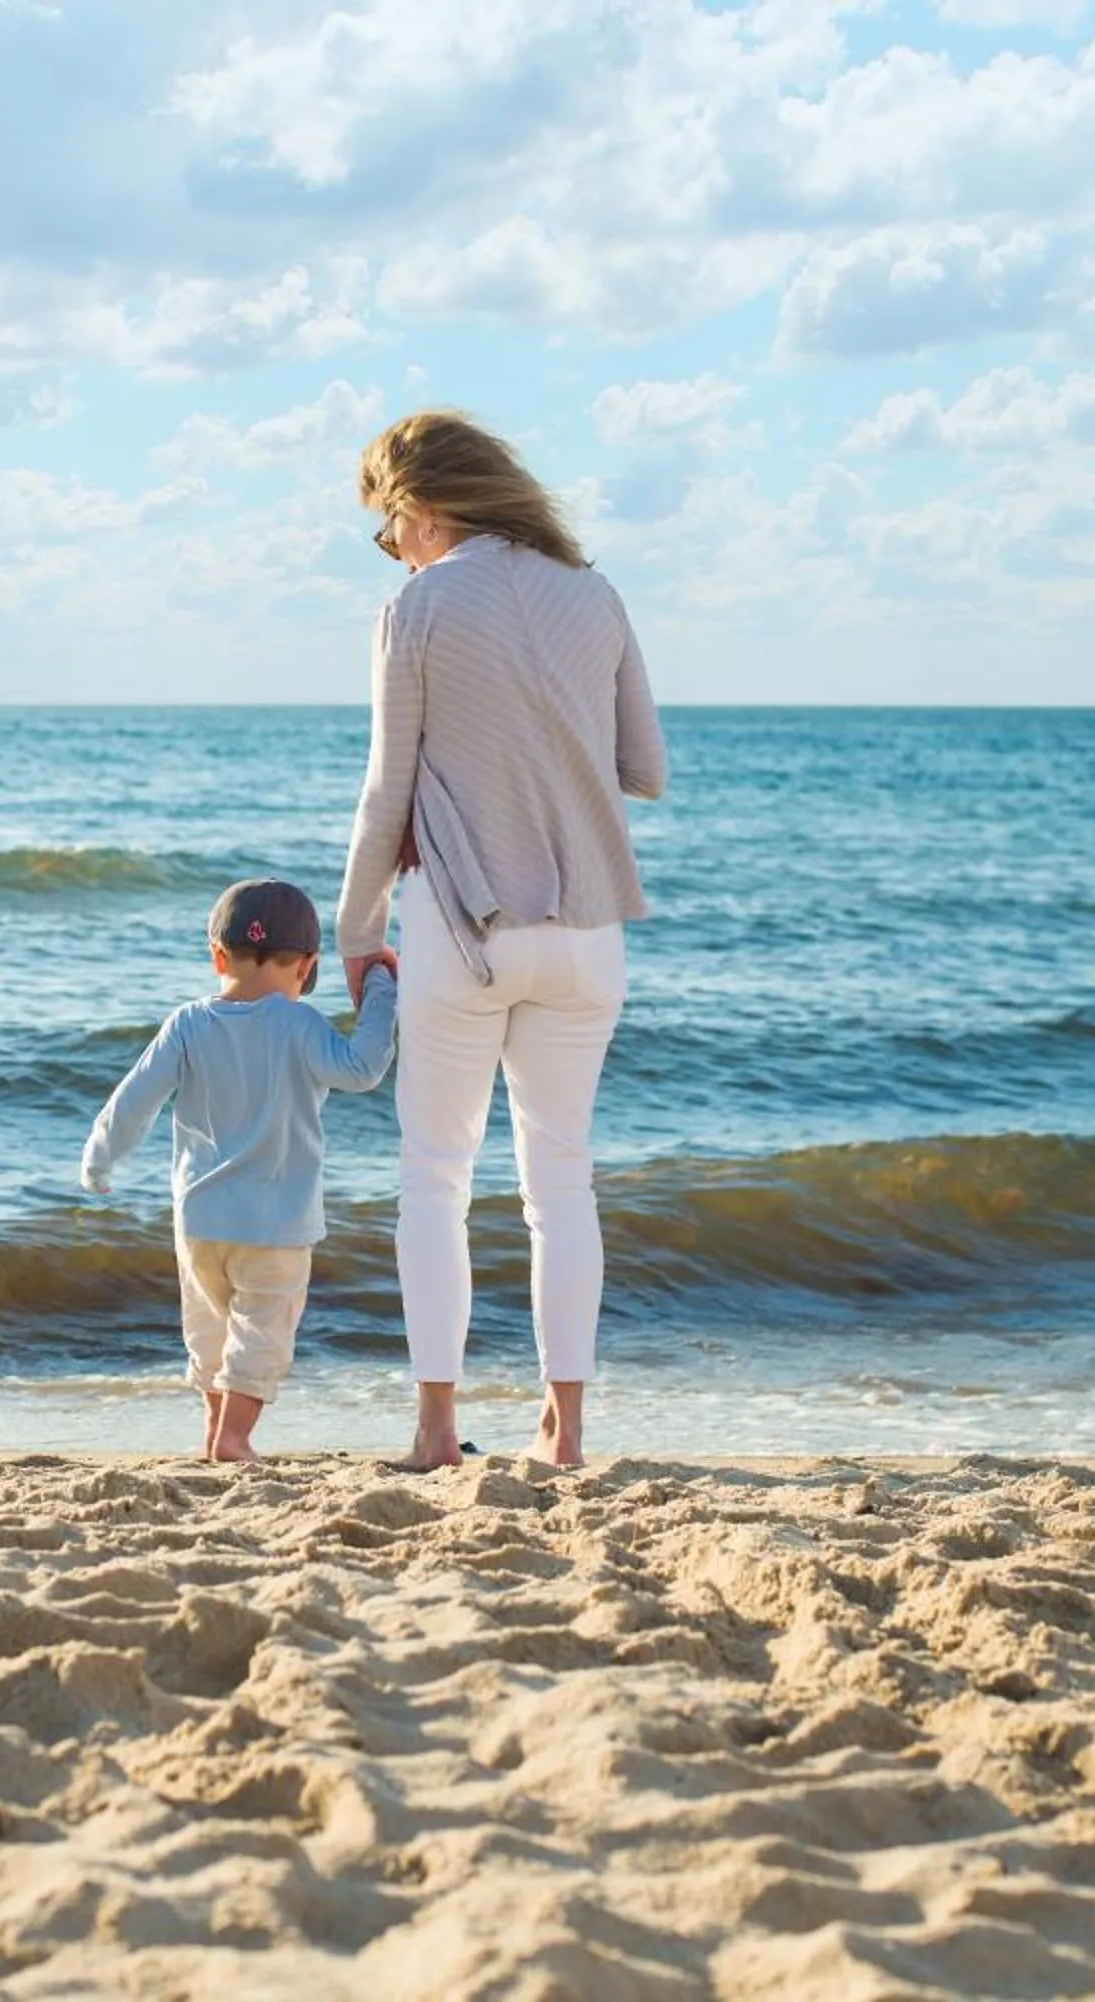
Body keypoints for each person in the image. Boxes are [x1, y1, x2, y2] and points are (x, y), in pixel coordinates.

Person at [335, 410, 667, 1473]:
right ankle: (565, 1437)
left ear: (420, 507)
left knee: (435, 1175)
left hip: (459, 924)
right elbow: (644, 767)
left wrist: (355, 931)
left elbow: (388, 787)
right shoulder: (596, 594)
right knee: (559, 1179)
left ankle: (436, 1431)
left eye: (389, 528)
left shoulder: (417, 608)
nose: (395, 548)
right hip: (587, 932)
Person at [81, 879, 399, 1463]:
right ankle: (235, 1438)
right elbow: (362, 1068)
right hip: (277, 1222)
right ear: (306, 967)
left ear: (217, 956)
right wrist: (381, 987)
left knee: (209, 1331)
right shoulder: (301, 1025)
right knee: (261, 1333)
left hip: (199, 1219)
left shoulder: (187, 1024)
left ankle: (214, 1433)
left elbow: (133, 1102)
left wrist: (100, 1159)